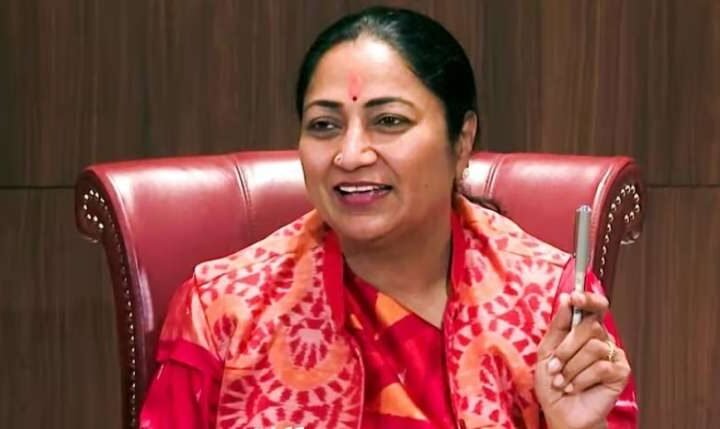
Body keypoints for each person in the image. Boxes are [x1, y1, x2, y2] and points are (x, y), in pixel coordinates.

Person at [140, 6, 637, 429]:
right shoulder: (223, 310)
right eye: (324, 125)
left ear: (462, 140)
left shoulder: (554, 306)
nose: (350, 154)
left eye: (389, 121)